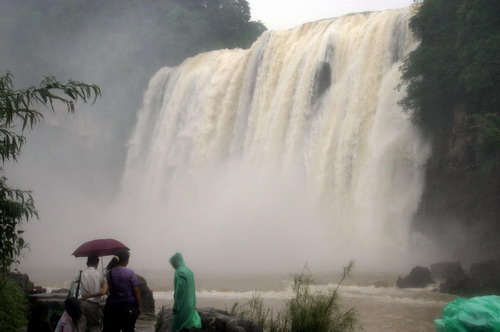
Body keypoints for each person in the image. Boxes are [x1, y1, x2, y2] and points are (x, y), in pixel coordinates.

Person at [103, 249, 142, 332]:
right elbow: (136, 290)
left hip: (113, 307)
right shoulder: (130, 272)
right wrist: (138, 305)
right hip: (129, 307)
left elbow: (109, 290)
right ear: (125, 260)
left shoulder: (109, 273)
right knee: (129, 329)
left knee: (115, 329)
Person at [169, 252, 202, 332]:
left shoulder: (180, 271)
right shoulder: (189, 271)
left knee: (179, 327)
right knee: (187, 326)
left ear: (176, 261)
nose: (173, 265)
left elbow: (180, 291)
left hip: (182, 306)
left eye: (173, 263)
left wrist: (176, 306)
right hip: (190, 304)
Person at [76, 255, 108, 332]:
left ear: (87, 263)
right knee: (94, 326)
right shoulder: (99, 274)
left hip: (81, 303)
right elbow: (103, 292)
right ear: (97, 263)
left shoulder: (81, 273)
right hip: (93, 304)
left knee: (80, 326)